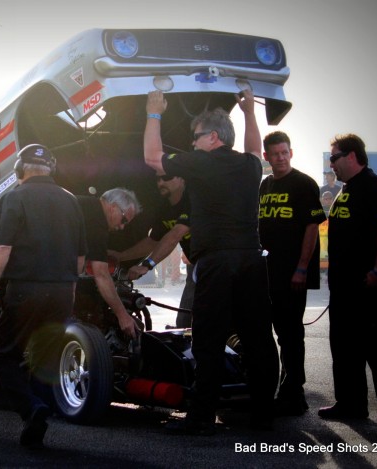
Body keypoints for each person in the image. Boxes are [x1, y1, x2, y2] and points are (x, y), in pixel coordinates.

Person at [143, 89, 279, 434]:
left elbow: (152, 158)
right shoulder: (250, 165)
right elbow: (252, 147)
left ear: (213, 137)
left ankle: (202, 416)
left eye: (195, 137)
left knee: (208, 339)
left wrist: (154, 112)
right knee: (259, 338)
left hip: (217, 261)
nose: (191, 143)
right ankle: (264, 414)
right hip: (251, 259)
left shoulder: (201, 162)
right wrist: (249, 111)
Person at [0, 144, 86, 447]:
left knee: (4, 359)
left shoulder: (14, 198)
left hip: (26, 289)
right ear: (50, 168)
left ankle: (32, 409)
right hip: (62, 291)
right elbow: (80, 259)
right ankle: (37, 420)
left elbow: (2, 248)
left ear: (20, 170)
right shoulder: (71, 201)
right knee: (44, 357)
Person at [319, 134, 377, 426]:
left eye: (335, 158)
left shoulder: (370, 184)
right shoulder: (346, 190)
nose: (332, 164)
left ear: (352, 156)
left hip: (363, 286)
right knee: (343, 348)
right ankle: (350, 404)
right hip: (341, 287)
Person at [259, 131, 326, 416]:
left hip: (293, 274)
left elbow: (312, 228)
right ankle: (282, 387)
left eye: (284, 152)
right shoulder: (265, 185)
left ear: (291, 152)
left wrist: (301, 268)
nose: (281, 157)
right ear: (267, 157)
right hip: (269, 272)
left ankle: (294, 393)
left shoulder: (304, 184)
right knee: (275, 332)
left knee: (290, 333)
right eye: (275, 153)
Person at [119, 174, 195, 328]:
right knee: (185, 321)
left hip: (219, 260)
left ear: (182, 178)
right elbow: (153, 241)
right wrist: (121, 256)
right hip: (196, 264)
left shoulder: (193, 199)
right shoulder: (165, 207)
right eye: (158, 179)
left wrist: (146, 265)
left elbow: (174, 235)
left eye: (166, 177)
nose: (161, 182)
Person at [76, 188, 141, 340]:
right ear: (113, 207)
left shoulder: (83, 203)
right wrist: (122, 316)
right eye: (124, 220)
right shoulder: (97, 219)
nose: (122, 226)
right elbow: (102, 275)